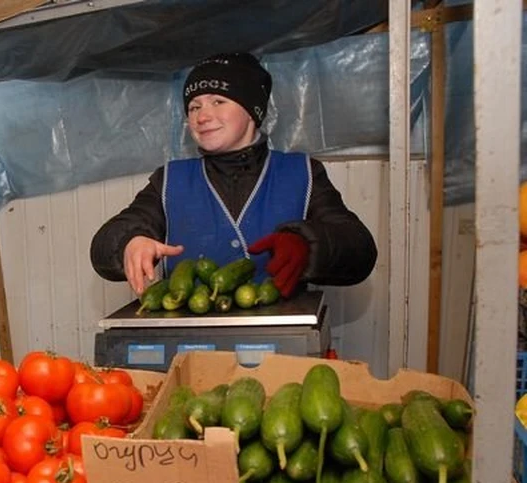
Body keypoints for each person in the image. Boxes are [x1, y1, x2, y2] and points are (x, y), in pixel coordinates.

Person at [90, 52, 377, 299]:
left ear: (252, 111)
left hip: (280, 349)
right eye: (194, 106)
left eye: (218, 101)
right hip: (188, 350)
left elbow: (360, 251)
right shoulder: (169, 181)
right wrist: (130, 241)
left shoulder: (302, 173)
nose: (202, 116)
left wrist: (309, 245)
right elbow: (105, 244)